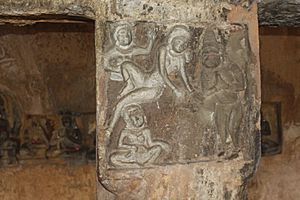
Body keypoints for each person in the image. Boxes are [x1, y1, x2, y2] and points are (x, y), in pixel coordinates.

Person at [106, 25, 193, 134]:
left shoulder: (180, 58)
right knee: (126, 64)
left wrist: (189, 89)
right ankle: (130, 84)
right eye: (179, 41)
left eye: (184, 44)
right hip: (146, 78)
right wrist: (174, 89)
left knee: (121, 103)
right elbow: (162, 71)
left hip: (153, 89)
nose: (181, 45)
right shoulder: (163, 49)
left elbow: (183, 73)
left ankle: (109, 131)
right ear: (172, 40)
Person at [199, 27, 245, 155]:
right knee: (221, 129)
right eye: (207, 56)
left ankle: (234, 148)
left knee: (233, 128)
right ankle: (224, 148)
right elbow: (205, 92)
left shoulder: (231, 68)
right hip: (218, 106)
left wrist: (227, 84)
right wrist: (216, 89)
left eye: (213, 56)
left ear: (219, 55)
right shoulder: (205, 73)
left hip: (234, 103)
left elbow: (240, 85)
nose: (210, 59)